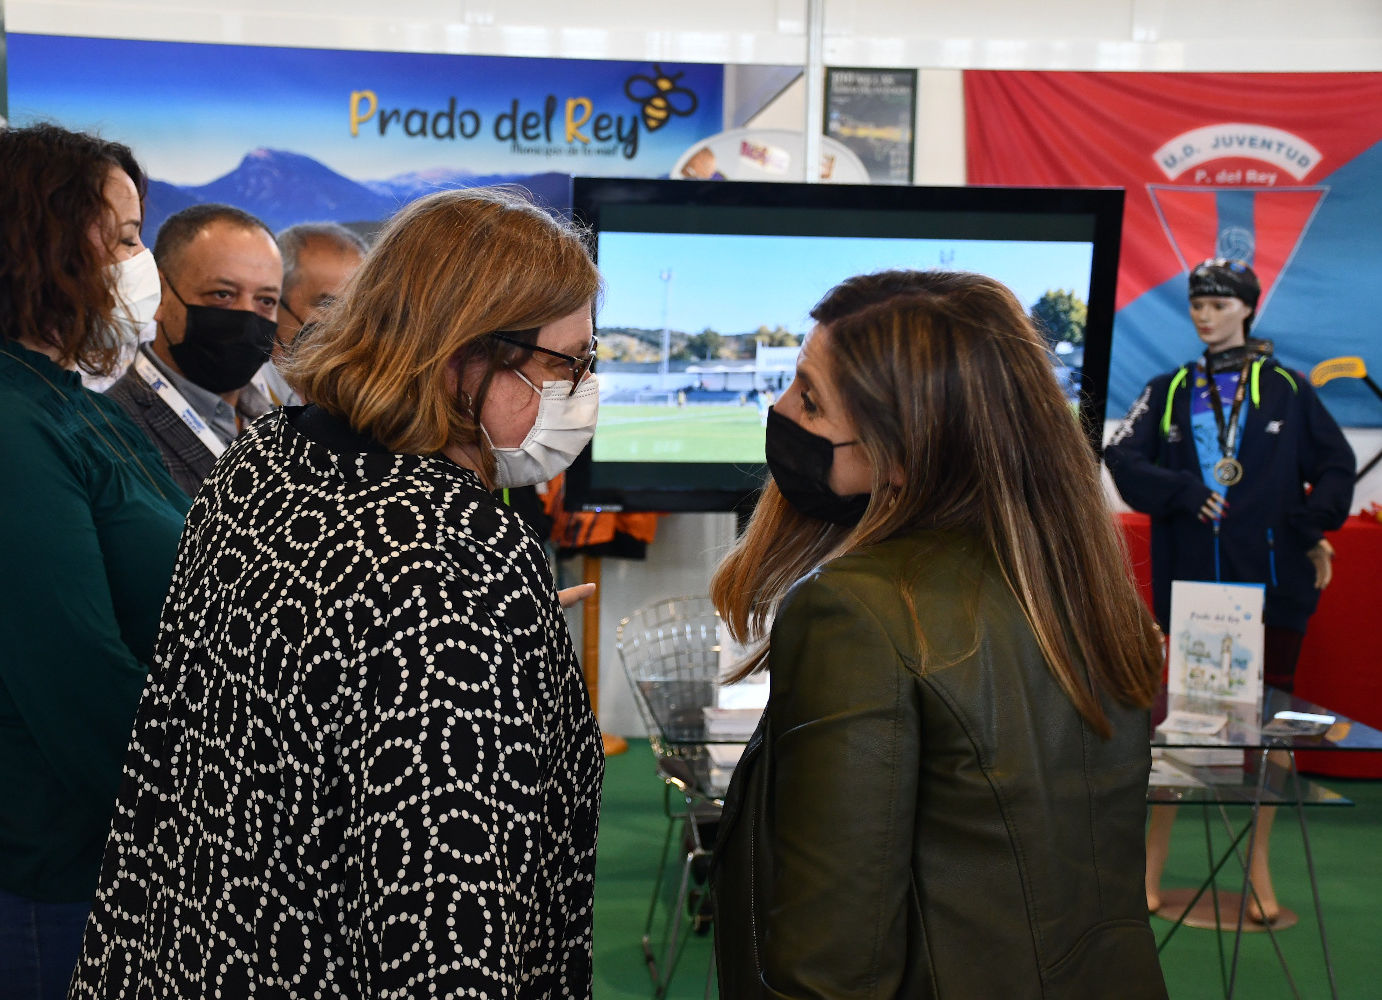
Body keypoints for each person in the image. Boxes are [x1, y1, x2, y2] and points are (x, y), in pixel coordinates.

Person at [70, 187, 605, 997]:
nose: (580, 387)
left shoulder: (265, 461)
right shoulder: (457, 551)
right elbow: (446, 919)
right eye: (569, 362)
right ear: (466, 354)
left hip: (181, 953)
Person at [709, 270, 1168, 999]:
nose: (778, 407)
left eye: (810, 398)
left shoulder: (856, 611)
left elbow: (832, 968)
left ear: (901, 448)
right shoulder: (1083, 588)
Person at [0, 124, 189, 996]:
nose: (141, 261)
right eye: (125, 237)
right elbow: (79, 683)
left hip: (79, 868)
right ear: (39, 242)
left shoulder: (62, 398)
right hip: (23, 890)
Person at [1105, 258, 1355, 922]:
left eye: (1218, 302)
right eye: (1196, 302)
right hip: (1195, 594)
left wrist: (1304, 524)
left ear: (1246, 307)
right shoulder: (1169, 387)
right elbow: (1121, 456)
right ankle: (1150, 868)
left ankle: (1261, 870)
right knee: (1185, 735)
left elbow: (1335, 464)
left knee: (1273, 733)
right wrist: (1186, 493)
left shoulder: (1286, 390)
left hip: (1274, 590)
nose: (1204, 312)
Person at [104, 202, 285, 497]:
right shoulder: (108, 433)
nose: (246, 318)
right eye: (223, 295)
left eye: (265, 300)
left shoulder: (283, 422)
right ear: (160, 294)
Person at [263, 221, 369, 405]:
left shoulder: (357, 397)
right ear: (274, 302)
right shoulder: (243, 393)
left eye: (356, 308)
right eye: (328, 304)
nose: (345, 323)